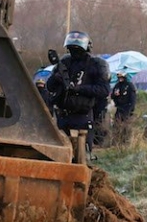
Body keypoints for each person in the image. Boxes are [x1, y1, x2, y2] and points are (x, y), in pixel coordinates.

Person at [46, 30, 110, 158]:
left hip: (83, 116)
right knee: (59, 155)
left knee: (82, 155)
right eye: (72, 49)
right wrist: (56, 78)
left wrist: (80, 88)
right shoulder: (64, 63)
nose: (75, 52)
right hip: (63, 116)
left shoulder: (95, 64)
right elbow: (50, 87)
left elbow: (103, 90)